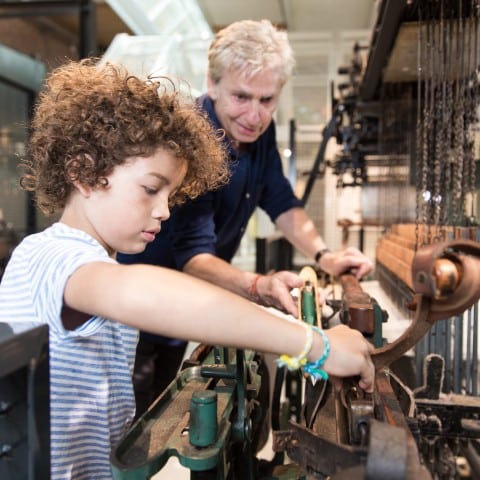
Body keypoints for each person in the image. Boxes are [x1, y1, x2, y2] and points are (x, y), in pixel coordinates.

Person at [0, 59, 374, 480]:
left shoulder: (91, 260)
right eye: (150, 189)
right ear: (84, 173)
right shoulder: (53, 257)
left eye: (171, 195)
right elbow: (142, 293)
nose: (163, 211)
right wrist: (315, 345)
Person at [118, 19, 374, 416]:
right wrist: (258, 287)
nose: (255, 115)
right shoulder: (190, 139)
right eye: (241, 97)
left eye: (267, 100)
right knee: (133, 432)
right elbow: (193, 257)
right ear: (212, 82)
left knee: (159, 412)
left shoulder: (258, 134)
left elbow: (281, 201)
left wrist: (325, 256)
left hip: (178, 311)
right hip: (137, 315)